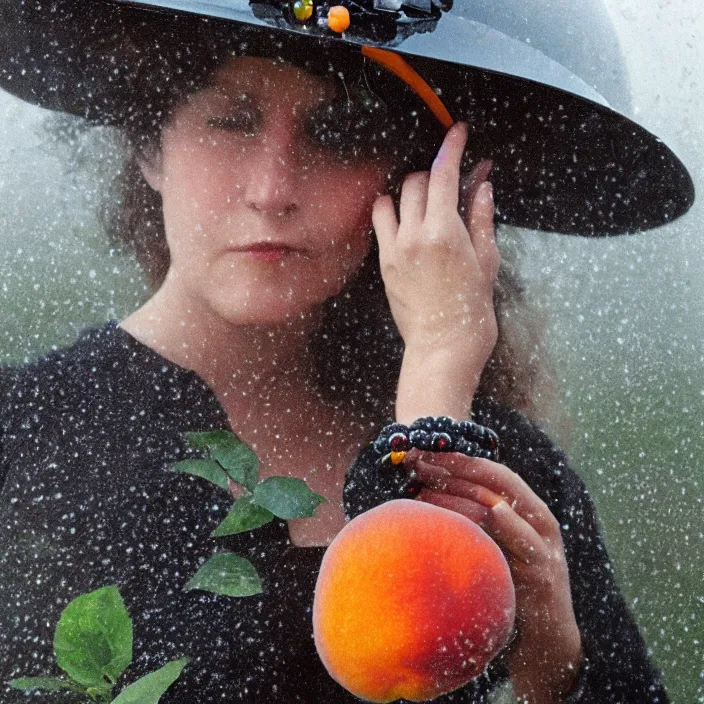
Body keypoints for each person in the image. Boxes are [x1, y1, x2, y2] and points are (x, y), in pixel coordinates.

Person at [0, 0, 691, 701]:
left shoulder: (512, 483)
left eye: (339, 134)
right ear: (149, 144)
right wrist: (434, 400)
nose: (273, 190)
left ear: (416, 187)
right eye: (231, 122)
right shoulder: (17, 435)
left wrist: (552, 663)